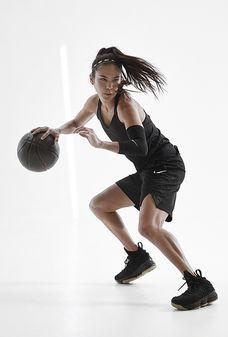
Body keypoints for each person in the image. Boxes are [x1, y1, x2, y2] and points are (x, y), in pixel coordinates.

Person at [31, 46, 218, 310]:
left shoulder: (126, 105)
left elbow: (139, 147)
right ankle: (137, 256)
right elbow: (75, 122)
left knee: (149, 227)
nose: (109, 86)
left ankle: (198, 284)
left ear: (122, 81)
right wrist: (56, 130)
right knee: (100, 205)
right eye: (103, 80)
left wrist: (101, 143)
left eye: (115, 80)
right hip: (148, 171)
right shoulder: (94, 102)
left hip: (166, 166)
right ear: (91, 80)